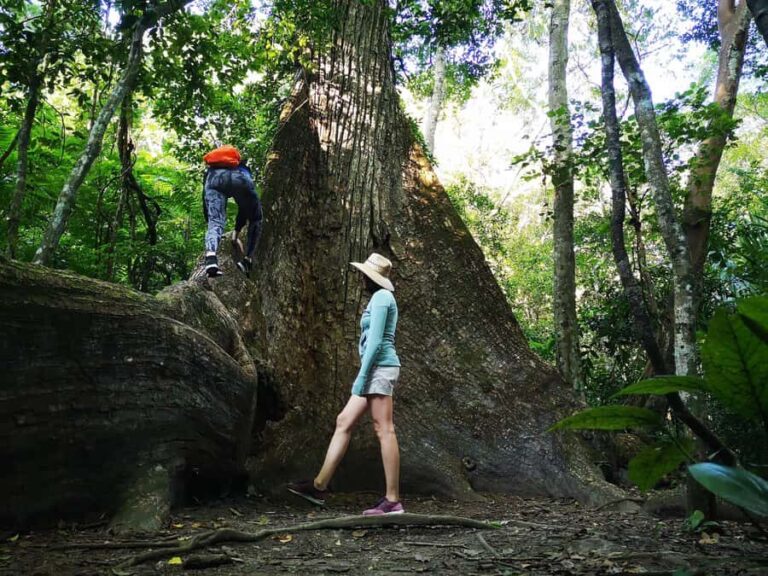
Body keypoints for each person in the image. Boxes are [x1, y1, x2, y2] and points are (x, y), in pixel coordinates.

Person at [287, 253, 404, 516]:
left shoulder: (383, 298)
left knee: (384, 428)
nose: (362, 278)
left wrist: (362, 376)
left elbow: (375, 342)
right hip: (374, 369)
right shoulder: (379, 298)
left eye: (365, 275)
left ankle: (393, 500)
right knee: (344, 421)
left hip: (379, 368)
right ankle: (319, 485)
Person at [203, 158, 263, 277]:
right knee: (256, 219)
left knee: (215, 221)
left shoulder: (211, 170)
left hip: (215, 180)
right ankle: (247, 260)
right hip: (240, 179)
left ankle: (211, 258)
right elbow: (244, 209)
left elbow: (205, 201)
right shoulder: (243, 168)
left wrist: (208, 219)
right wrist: (236, 231)